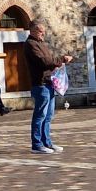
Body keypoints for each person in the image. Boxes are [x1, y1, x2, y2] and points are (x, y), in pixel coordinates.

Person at [24, 20, 73, 155]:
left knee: (48, 116)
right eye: (41, 31)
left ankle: (47, 142)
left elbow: (50, 60)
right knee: (40, 115)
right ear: (33, 31)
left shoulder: (41, 44)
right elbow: (44, 61)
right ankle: (37, 144)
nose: (43, 34)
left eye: (43, 31)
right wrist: (61, 59)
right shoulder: (30, 44)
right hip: (40, 84)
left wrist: (57, 65)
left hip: (49, 82)